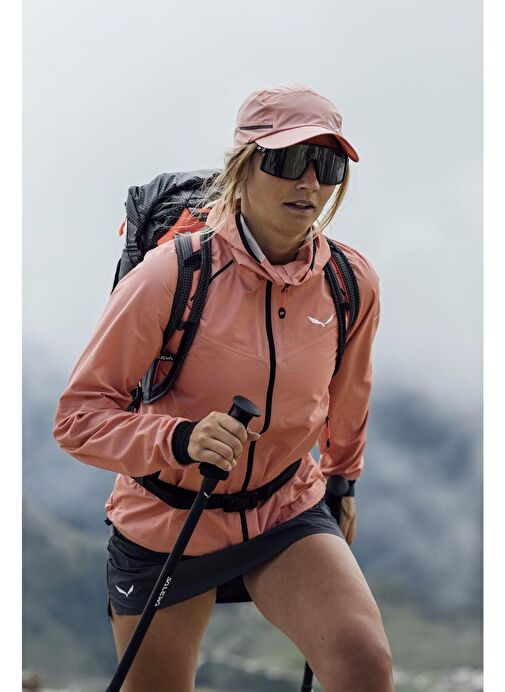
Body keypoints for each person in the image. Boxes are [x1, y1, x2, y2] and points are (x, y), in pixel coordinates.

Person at [53, 82, 393, 692]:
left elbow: (349, 393)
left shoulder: (350, 282)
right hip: (167, 518)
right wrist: (179, 440)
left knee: (364, 666)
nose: (309, 182)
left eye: (328, 165)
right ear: (243, 165)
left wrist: (342, 481)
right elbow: (77, 419)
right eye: (290, 159)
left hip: (282, 506)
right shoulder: (171, 275)